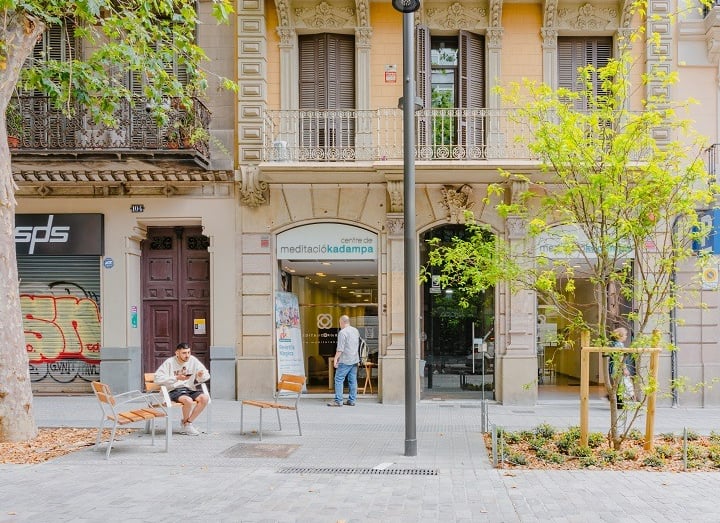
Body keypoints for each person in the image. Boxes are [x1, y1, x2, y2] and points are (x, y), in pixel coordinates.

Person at [155, 342, 211, 435]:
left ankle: (187, 423)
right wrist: (176, 378)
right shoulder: (169, 362)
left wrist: (201, 375)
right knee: (188, 400)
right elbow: (157, 379)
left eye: (189, 352)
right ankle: (186, 426)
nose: (187, 355)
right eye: (184, 353)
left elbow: (206, 376)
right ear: (177, 353)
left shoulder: (193, 360)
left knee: (205, 398)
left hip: (189, 389)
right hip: (173, 390)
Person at [328, 315, 360, 407]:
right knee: (352, 380)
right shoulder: (355, 330)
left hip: (345, 360)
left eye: (340, 323)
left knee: (338, 379)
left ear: (342, 322)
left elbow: (340, 349)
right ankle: (352, 400)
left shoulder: (342, 332)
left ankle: (338, 401)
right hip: (354, 359)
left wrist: (335, 359)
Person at [608, 327, 635, 407]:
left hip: (613, 367)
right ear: (620, 336)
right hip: (618, 367)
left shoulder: (613, 344)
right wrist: (625, 369)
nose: (626, 336)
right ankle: (619, 403)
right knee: (620, 384)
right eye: (625, 335)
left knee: (617, 384)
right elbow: (620, 358)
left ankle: (617, 402)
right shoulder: (619, 345)